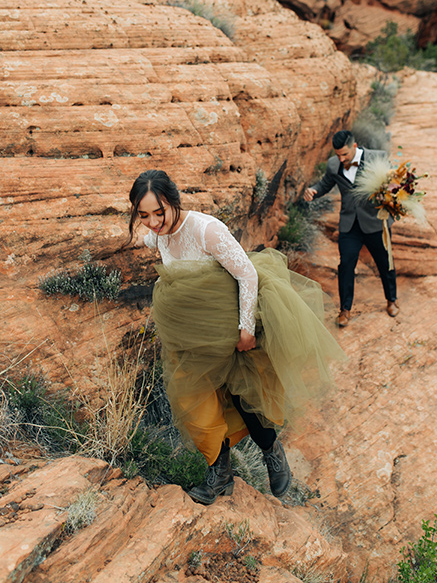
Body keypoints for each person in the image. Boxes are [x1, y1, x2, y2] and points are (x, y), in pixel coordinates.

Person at [127, 169, 345, 505]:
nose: (153, 222)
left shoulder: (207, 229)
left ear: (173, 202)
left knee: (244, 397)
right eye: (143, 215)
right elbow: (152, 239)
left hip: (231, 323)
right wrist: (145, 235)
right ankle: (220, 473)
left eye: (159, 212)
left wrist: (245, 329)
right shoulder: (158, 234)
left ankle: (272, 451)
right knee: (193, 399)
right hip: (192, 334)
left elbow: (246, 273)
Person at [304, 130, 399, 327]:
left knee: (384, 262)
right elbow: (325, 184)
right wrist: (314, 190)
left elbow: (394, 184)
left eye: (345, 154)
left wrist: (388, 195)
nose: (341, 158)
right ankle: (345, 310)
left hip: (374, 222)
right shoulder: (333, 164)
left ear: (354, 147)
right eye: (338, 155)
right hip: (349, 224)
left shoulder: (378, 157)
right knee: (346, 264)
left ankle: (391, 300)